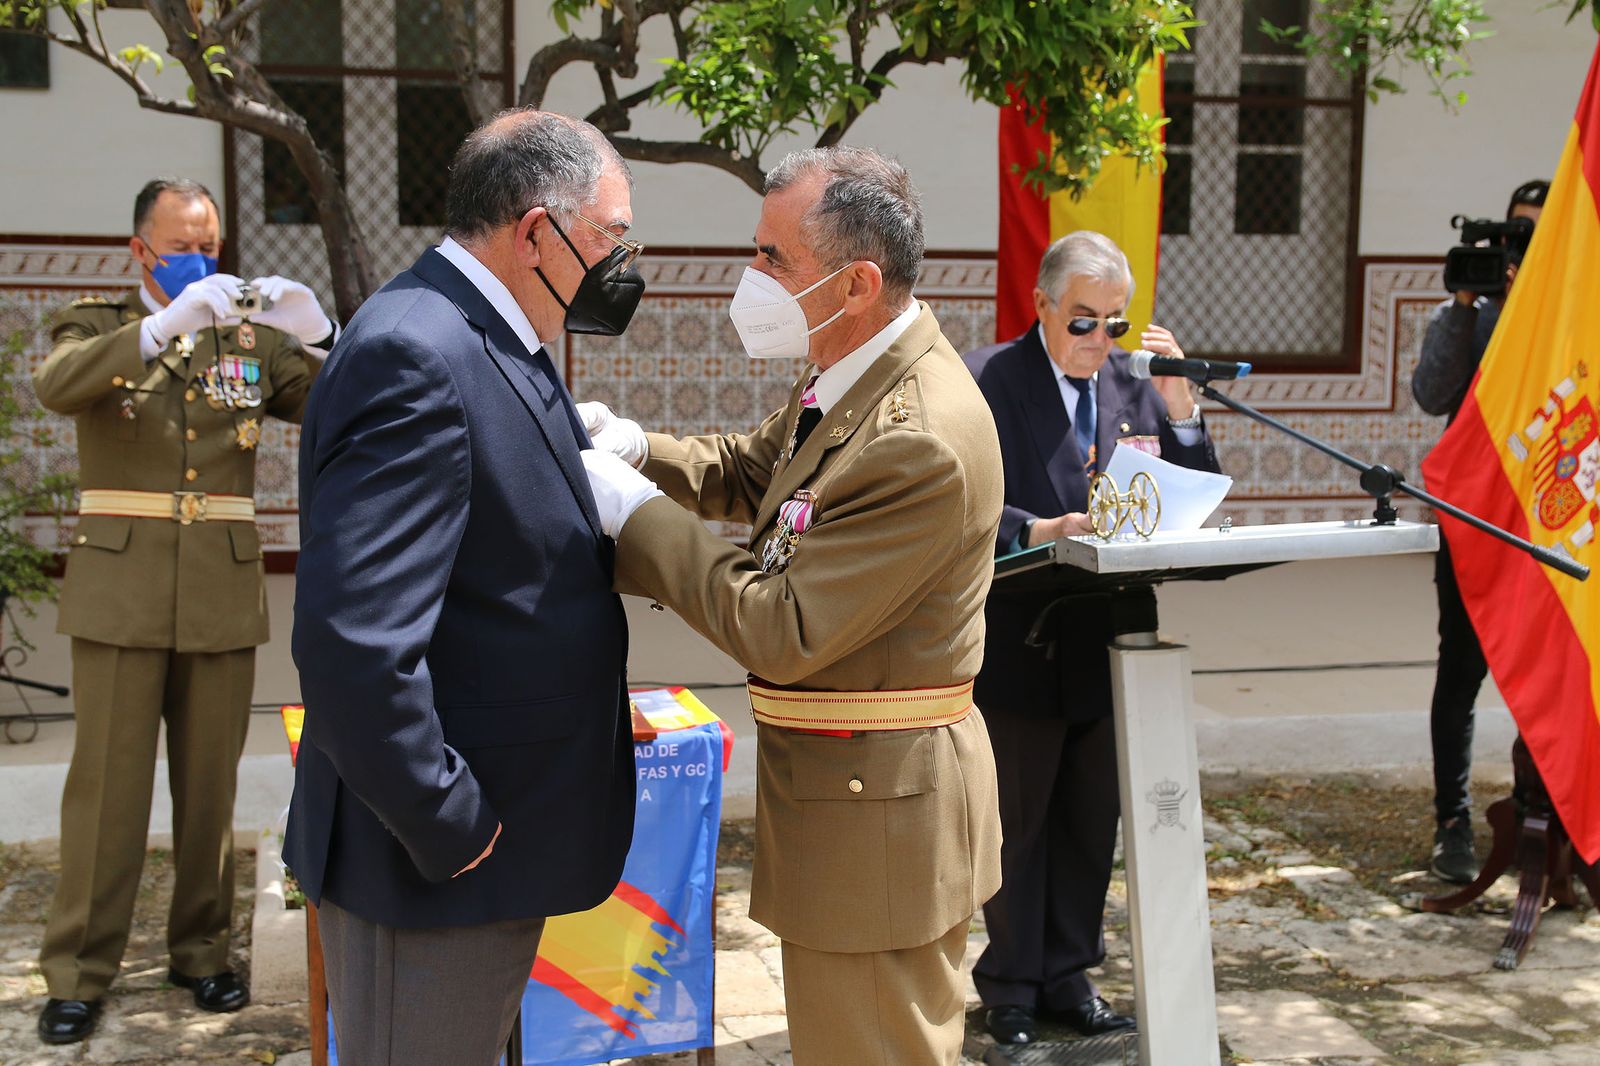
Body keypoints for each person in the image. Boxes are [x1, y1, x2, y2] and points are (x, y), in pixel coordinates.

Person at [580, 145, 1003, 1064]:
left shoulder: (916, 437)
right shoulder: (857, 371)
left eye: (774, 259)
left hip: (880, 811)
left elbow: (784, 627)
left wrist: (636, 516)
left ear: (855, 283)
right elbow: (752, 469)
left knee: (874, 1049)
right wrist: (635, 448)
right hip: (846, 794)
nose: (751, 276)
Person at [285, 109, 643, 1064]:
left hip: (489, 853)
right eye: (610, 236)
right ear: (537, 231)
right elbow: (355, 642)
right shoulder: (418, 353)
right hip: (429, 868)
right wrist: (449, 821)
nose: (620, 261)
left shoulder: (494, 332)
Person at [31, 178, 335, 1045]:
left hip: (217, 588)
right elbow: (58, 385)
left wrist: (322, 338)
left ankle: (202, 954)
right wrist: (163, 326)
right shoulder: (96, 324)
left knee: (210, 788)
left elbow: (341, 408)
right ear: (141, 253)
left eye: (211, 241)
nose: (202, 258)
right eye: (181, 245)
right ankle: (81, 972)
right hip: (119, 592)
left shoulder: (248, 338)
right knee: (107, 793)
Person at [961, 230, 1221, 1046]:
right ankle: (1007, 985)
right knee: (1020, 820)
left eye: (1114, 321)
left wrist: (1182, 412)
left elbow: (1187, 492)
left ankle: (1069, 976)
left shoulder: (1136, 386)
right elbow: (957, 497)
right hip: (1024, 633)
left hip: (1112, 636)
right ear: (1040, 305)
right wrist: (1039, 525)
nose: (1099, 340)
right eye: (1082, 321)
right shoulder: (986, 382)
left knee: (1089, 818)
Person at [1412, 178, 1548, 884]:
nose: (1513, 251)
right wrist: (1467, 305)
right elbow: (1433, 393)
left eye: (1531, 237)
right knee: (1460, 672)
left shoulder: (1571, 313)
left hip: (1550, 522)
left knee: (1549, 672)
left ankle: (1544, 813)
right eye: (1509, 235)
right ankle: (1453, 822)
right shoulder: (1467, 308)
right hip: (1472, 519)